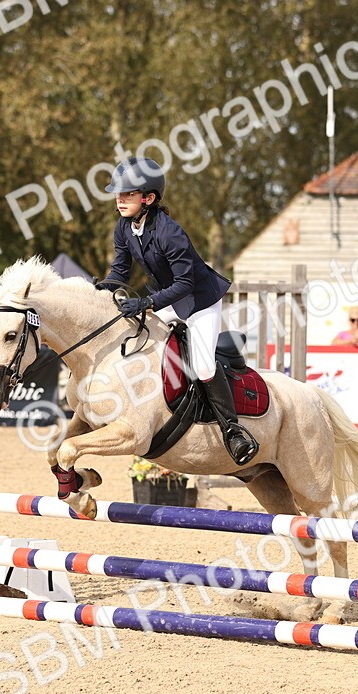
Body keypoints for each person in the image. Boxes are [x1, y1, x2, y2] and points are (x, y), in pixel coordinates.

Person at [97, 156, 258, 465]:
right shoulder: (124, 226)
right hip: (168, 299)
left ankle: (233, 431)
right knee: (139, 338)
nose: (119, 199)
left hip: (199, 301)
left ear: (148, 198)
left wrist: (146, 303)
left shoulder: (170, 233)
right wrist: (100, 288)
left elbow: (185, 283)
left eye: (127, 193)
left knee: (203, 367)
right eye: (118, 193)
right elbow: (119, 271)